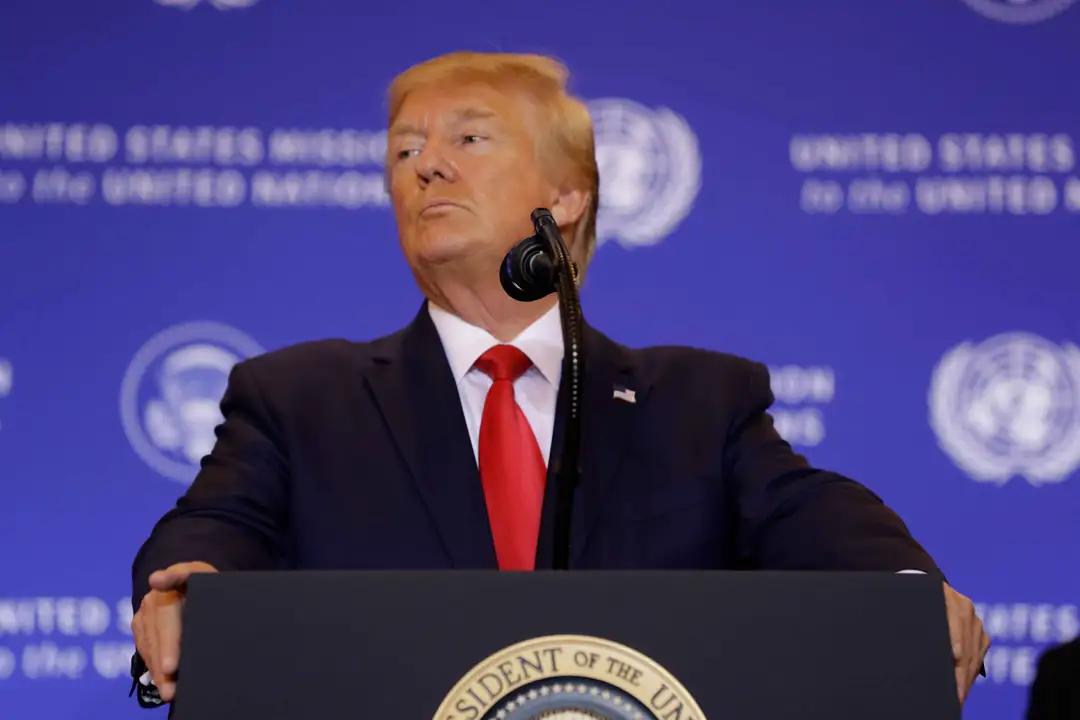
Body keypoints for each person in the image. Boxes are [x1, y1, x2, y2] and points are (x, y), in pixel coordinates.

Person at [130, 51, 989, 706]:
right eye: (405, 150)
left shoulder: (696, 405)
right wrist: (187, 588)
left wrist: (909, 596)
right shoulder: (299, 399)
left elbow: (815, 515)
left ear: (568, 196)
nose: (427, 166)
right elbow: (215, 525)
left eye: (468, 138)